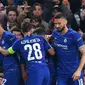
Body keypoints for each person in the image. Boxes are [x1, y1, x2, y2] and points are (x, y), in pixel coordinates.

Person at [49, 12, 85, 85]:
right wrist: (46, 42)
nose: (57, 26)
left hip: (74, 72)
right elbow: (53, 52)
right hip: (61, 73)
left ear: (65, 22)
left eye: (59, 23)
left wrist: (79, 70)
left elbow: (84, 53)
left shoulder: (74, 35)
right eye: (55, 24)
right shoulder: (55, 33)